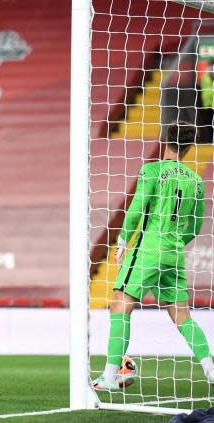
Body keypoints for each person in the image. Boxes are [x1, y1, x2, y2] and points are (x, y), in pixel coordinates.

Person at [93, 121, 214, 391]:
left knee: (120, 306)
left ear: (165, 140)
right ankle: (210, 367)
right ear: (189, 147)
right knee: (183, 317)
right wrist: (174, 241)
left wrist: (123, 241)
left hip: (148, 249)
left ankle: (110, 377)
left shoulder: (152, 170)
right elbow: (194, 227)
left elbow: (136, 209)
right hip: (174, 253)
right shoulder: (196, 181)